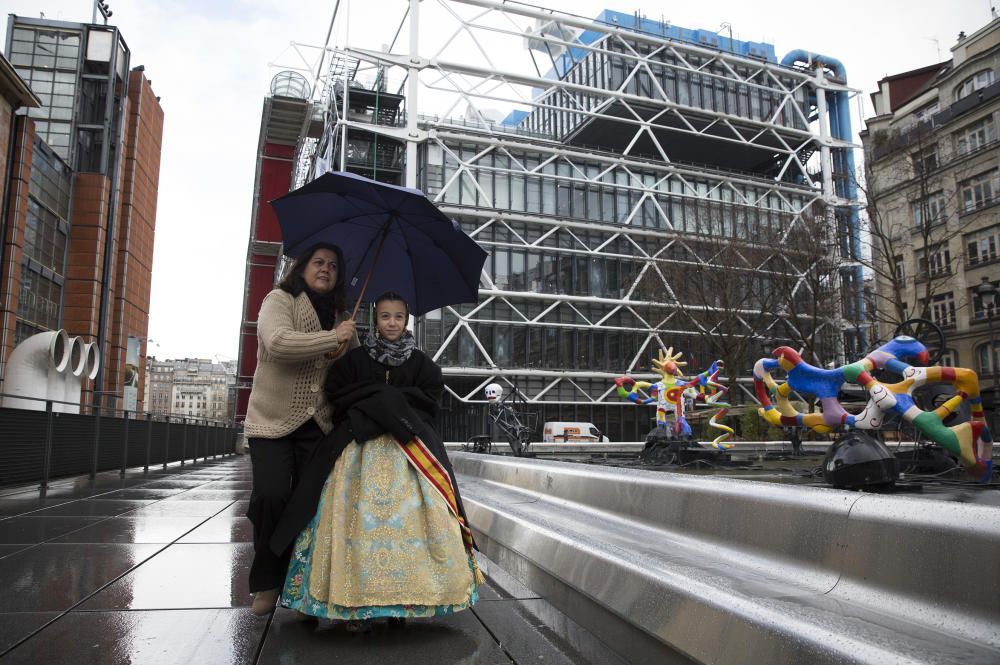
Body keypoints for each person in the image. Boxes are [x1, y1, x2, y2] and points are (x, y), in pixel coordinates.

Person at [277, 291, 482, 629]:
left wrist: (383, 400)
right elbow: (337, 393)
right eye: (385, 316)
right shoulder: (353, 360)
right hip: (358, 453)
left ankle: (401, 604)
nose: (392, 323)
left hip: (409, 455)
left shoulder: (421, 364)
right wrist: (384, 399)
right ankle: (354, 606)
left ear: (406, 320)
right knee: (352, 524)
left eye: (398, 317)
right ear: (375, 320)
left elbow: (430, 400)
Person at [243, 243, 358, 616]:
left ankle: (301, 585)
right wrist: (332, 338)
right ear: (302, 267)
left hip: (318, 424)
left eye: (334, 266)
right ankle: (266, 581)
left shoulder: (343, 315)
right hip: (271, 419)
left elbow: (353, 372)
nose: (326, 269)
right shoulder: (280, 299)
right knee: (271, 497)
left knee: (309, 507)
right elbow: (277, 344)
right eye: (318, 263)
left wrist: (355, 345)